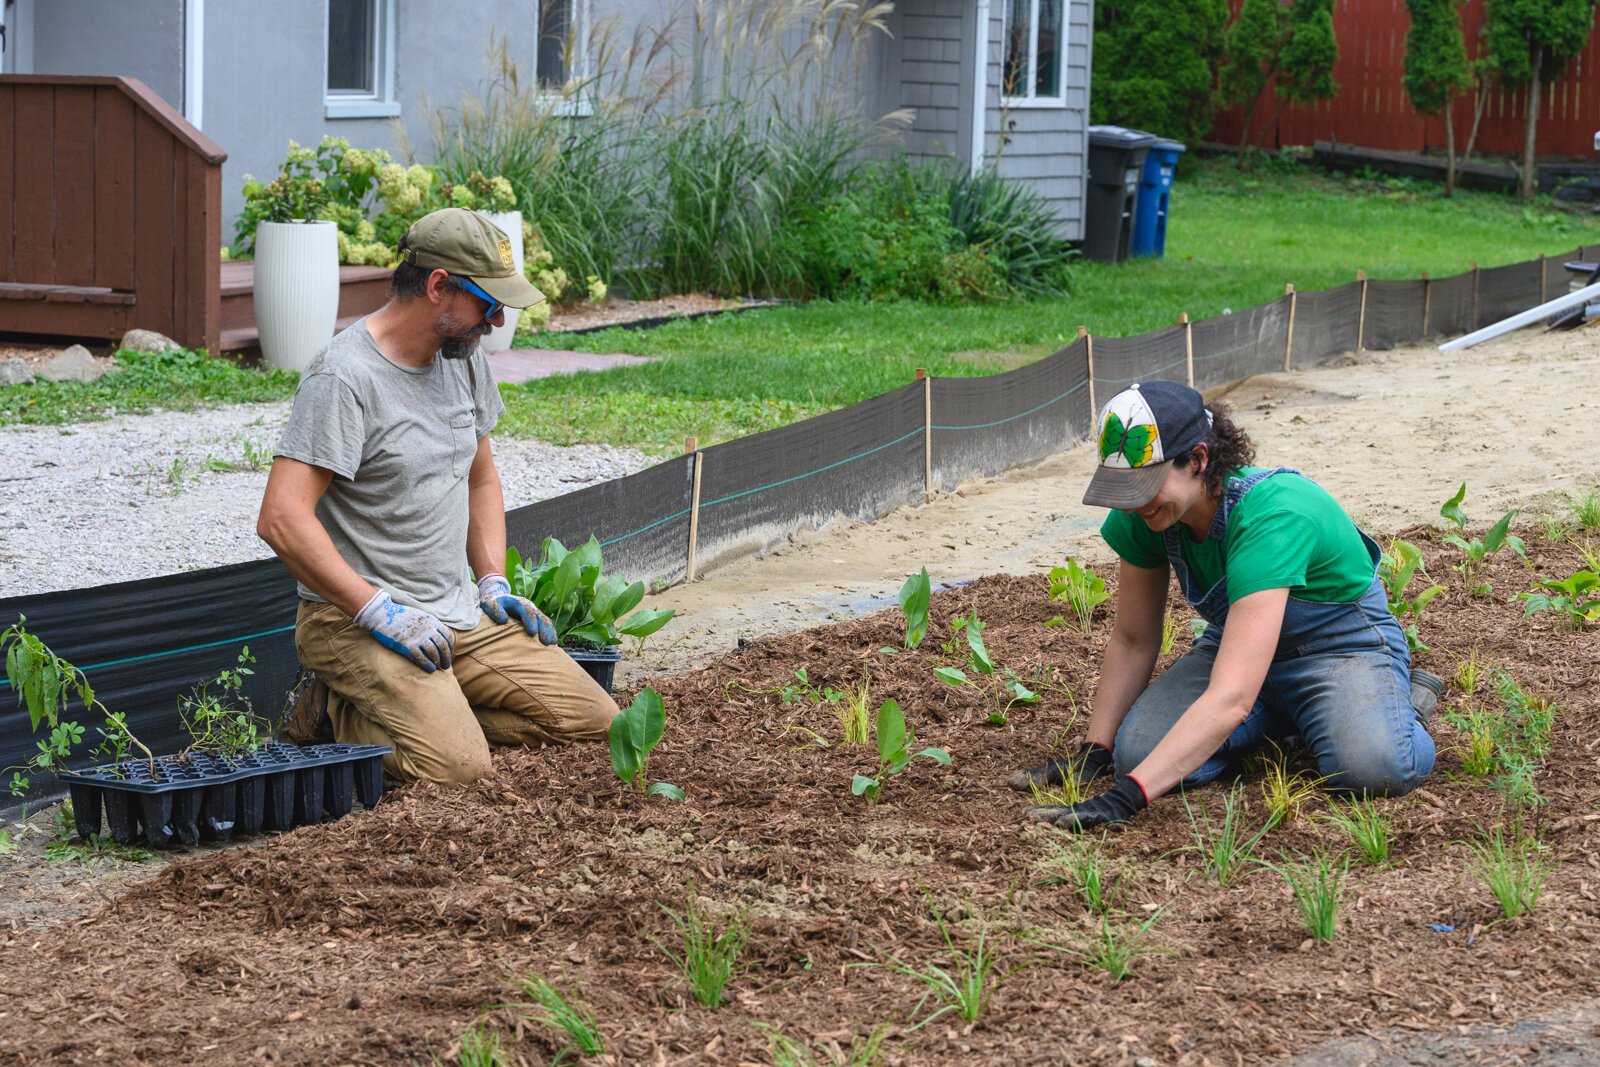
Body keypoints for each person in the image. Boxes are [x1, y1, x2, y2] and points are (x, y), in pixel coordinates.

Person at [257, 208, 618, 787]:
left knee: (597, 720)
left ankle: (434, 711)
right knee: (457, 769)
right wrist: (375, 611)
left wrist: (492, 580)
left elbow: (480, 478)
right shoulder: (344, 378)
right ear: (438, 286)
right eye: (488, 304)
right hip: (354, 621)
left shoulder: (463, 359)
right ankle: (332, 710)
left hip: (456, 613)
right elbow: (281, 518)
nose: (497, 322)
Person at [1010, 380, 1442, 830]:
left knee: (1373, 767)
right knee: (1134, 754)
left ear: (1198, 460)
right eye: (1124, 487)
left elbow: (1231, 695)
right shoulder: (1147, 513)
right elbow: (1133, 639)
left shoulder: (1274, 514)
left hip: (1338, 647)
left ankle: (1402, 706)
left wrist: (1126, 800)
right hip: (1237, 650)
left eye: (1146, 485)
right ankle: (1289, 720)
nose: (1133, 503)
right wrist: (1095, 752)